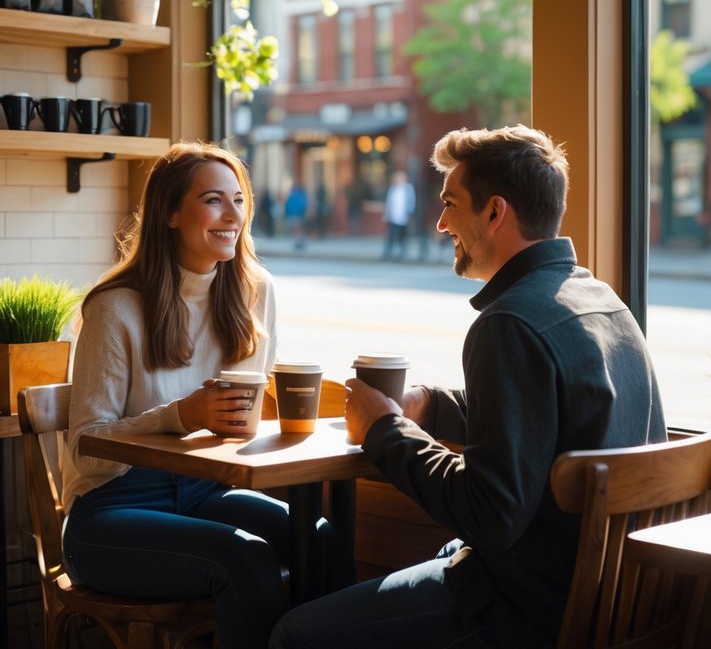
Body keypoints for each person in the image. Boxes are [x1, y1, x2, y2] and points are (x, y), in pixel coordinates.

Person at [270, 126, 667, 649]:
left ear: (495, 212)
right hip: (611, 601)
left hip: (525, 610)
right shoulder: (601, 299)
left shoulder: (509, 324)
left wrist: (385, 430)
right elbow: (541, 417)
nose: (439, 223)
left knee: (293, 634)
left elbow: (490, 513)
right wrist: (432, 405)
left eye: (451, 204)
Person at [61, 142, 345, 649]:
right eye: (213, 200)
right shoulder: (116, 307)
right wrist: (180, 415)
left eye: (239, 200)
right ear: (170, 213)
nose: (232, 214)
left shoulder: (255, 291)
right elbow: (86, 441)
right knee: (243, 558)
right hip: (111, 508)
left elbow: (247, 415)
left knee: (321, 540)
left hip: (204, 490)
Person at [381, 169, 416, 260]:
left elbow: (412, 201)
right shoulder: (393, 188)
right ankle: (387, 253)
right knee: (390, 236)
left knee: (402, 237)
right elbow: (389, 202)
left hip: (404, 218)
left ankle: (402, 254)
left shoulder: (408, 188)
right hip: (393, 217)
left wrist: (410, 213)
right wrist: (386, 214)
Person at [284, 182, 309, 250]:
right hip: (298, 215)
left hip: (293, 215)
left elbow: (287, 206)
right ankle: (300, 242)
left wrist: (287, 214)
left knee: (295, 229)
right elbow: (303, 205)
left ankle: (298, 242)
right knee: (299, 229)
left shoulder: (291, 196)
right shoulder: (301, 196)